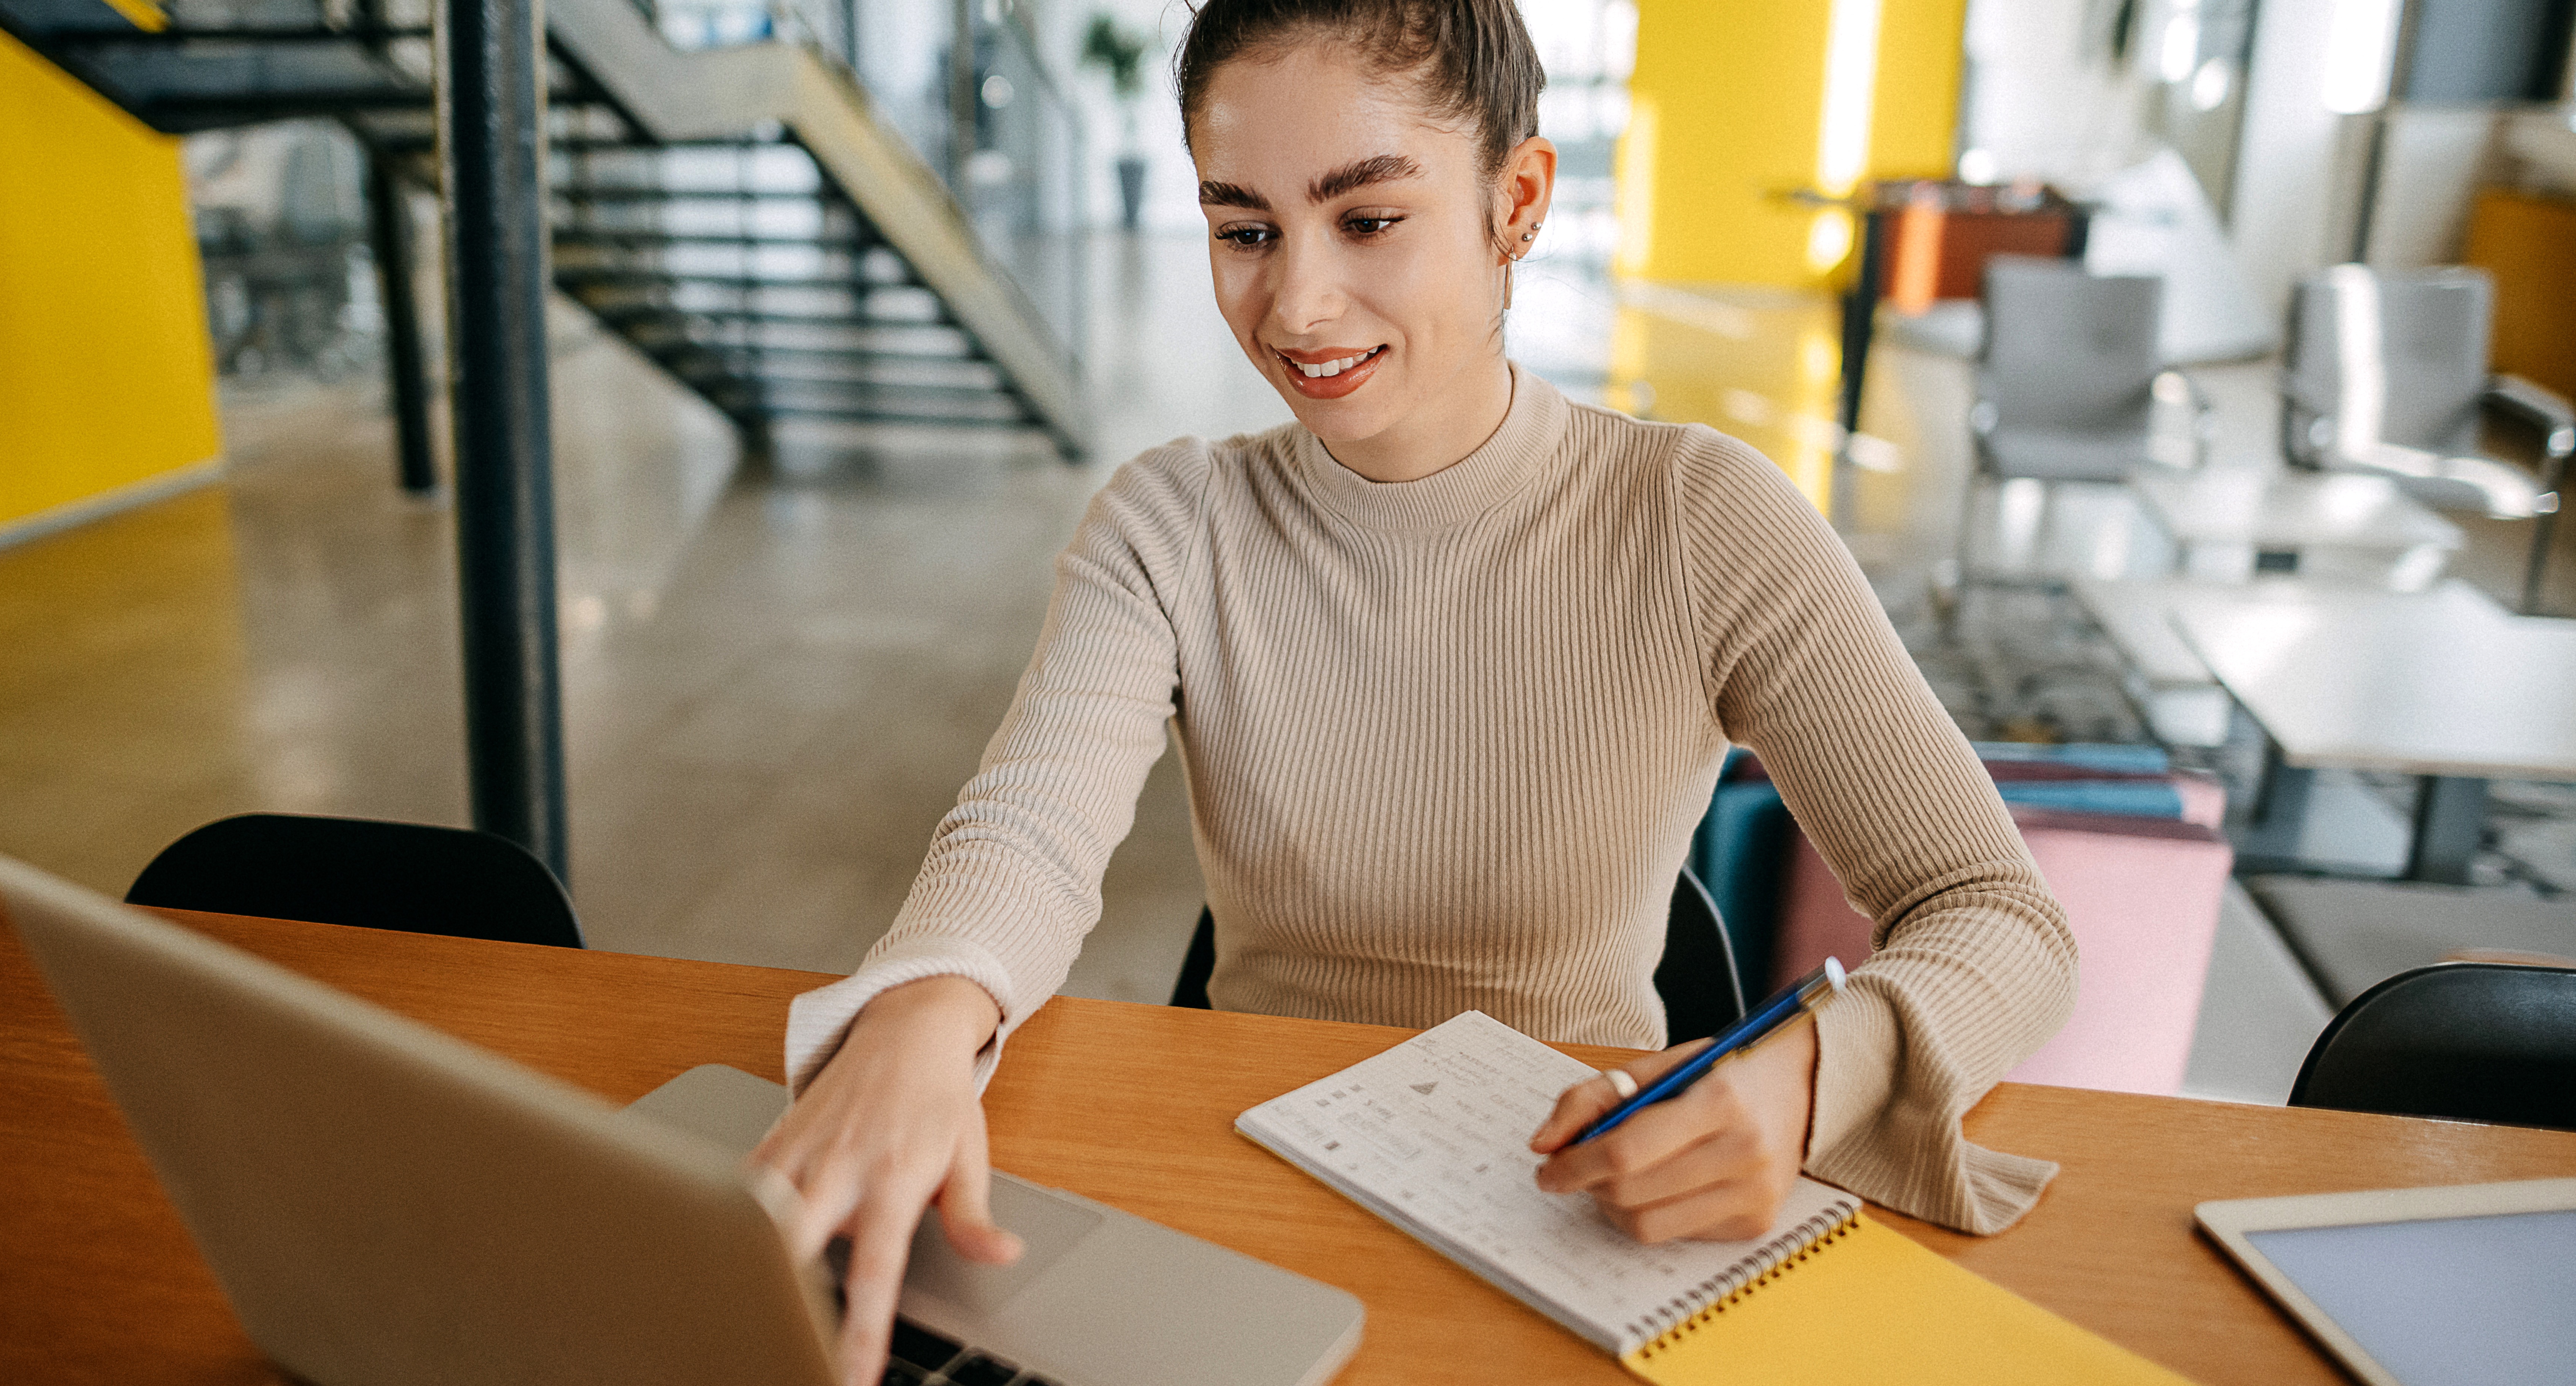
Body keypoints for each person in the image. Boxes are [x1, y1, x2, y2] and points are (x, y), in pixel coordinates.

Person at [752, 1, 2077, 1380]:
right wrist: (921, 1013)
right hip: (1251, 1194)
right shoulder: (1174, 522)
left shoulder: (1696, 518)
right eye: (1245, 228)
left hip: (1574, 1204)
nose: (1298, 306)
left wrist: (1814, 1079)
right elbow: (1028, 831)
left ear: (1518, 201)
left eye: (1368, 219)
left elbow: (2001, 917)